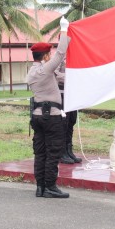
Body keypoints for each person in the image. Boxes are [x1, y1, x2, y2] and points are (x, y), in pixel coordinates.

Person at [27, 16, 70, 199]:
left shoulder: (33, 71)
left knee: (41, 152)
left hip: (37, 117)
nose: (51, 57)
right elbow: (60, 54)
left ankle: (40, 187)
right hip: (51, 117)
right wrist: (64, 30)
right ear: (45, 56)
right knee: (53, 151)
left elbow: (60, 78)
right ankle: (50, 186)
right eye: (49, 55)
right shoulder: (45, 70)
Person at [56, 59, 82, 164]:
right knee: (63, 123)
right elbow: (55, 74)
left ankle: (69, 150)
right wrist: (70, 77)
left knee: (71, 121)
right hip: (62, 94)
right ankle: (61, 152)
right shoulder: (59, 59)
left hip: (72, 95)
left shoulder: (76, 56)